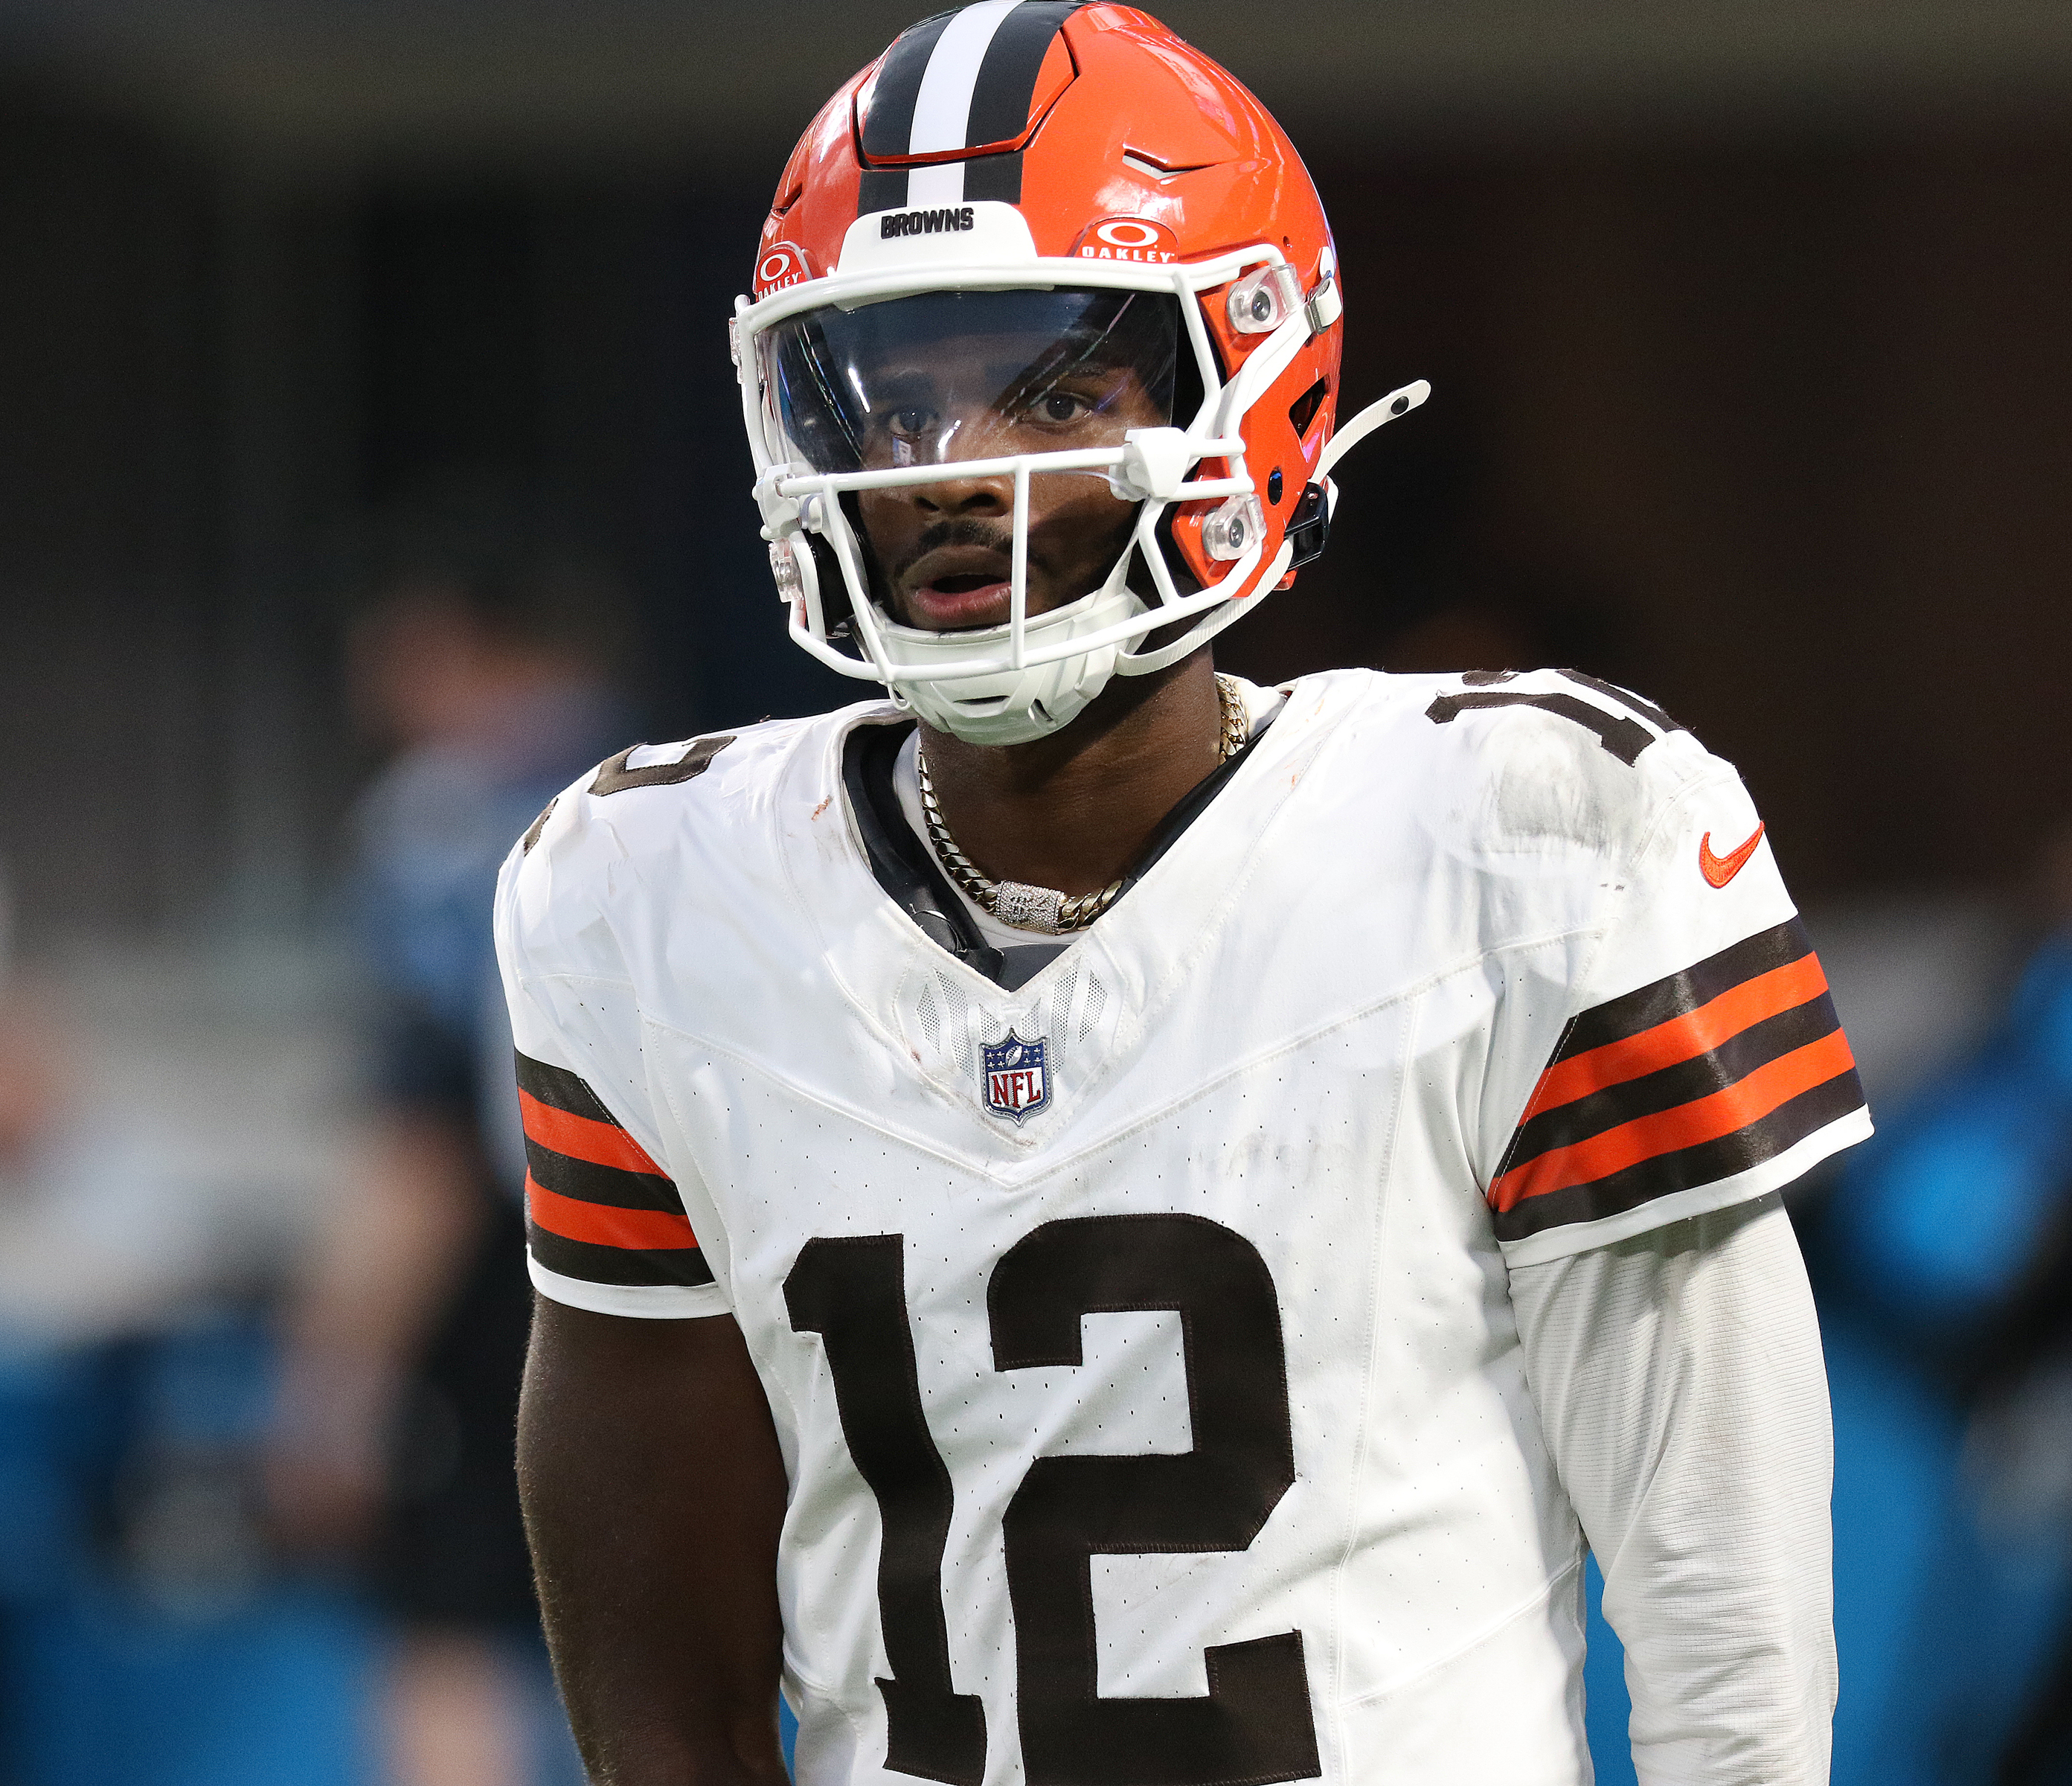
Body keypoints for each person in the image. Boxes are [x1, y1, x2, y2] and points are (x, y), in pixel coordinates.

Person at [506, 10, 1868, 1786]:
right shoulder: (650, 893)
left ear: (1258, 384)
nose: (948, 462)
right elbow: (665, 1697)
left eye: (1056, 388)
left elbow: (1727, 1635)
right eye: (893, 391)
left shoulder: (1529, 838)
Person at [266, 542, 631, 1786]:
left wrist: (332, 1375)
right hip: (706, 1259)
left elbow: (420, 1144)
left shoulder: (446, 821)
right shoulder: (690, 791)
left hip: (507, 1272)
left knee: (444, 1638)